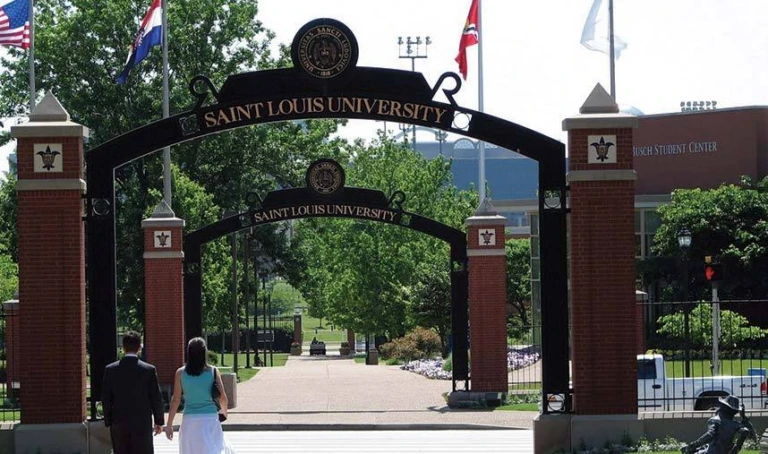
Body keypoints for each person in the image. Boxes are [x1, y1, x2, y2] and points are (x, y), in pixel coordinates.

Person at [164, 337, 234, 453]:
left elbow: (176, 400)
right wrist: (224, 413)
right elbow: (222, 397)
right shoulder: (213, 371)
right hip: (210, 419)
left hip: (189, 420)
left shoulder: (180, 373)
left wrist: (169, 424)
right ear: (204, 352)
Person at [101, 331, 165, 454]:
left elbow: (106, 398)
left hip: (119, 422)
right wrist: (159, 421)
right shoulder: (149, 370)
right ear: (140, 347)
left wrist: (108, 420)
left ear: (123, 347)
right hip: (142, 422)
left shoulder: (110, 370)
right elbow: (156, 398)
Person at [680, 395, 750, 454]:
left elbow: (710, 435)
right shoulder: (736, 424)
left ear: (723, 407)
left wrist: (693, 445)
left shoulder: (715, 420)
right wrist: (744, 418)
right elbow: (746, 432)